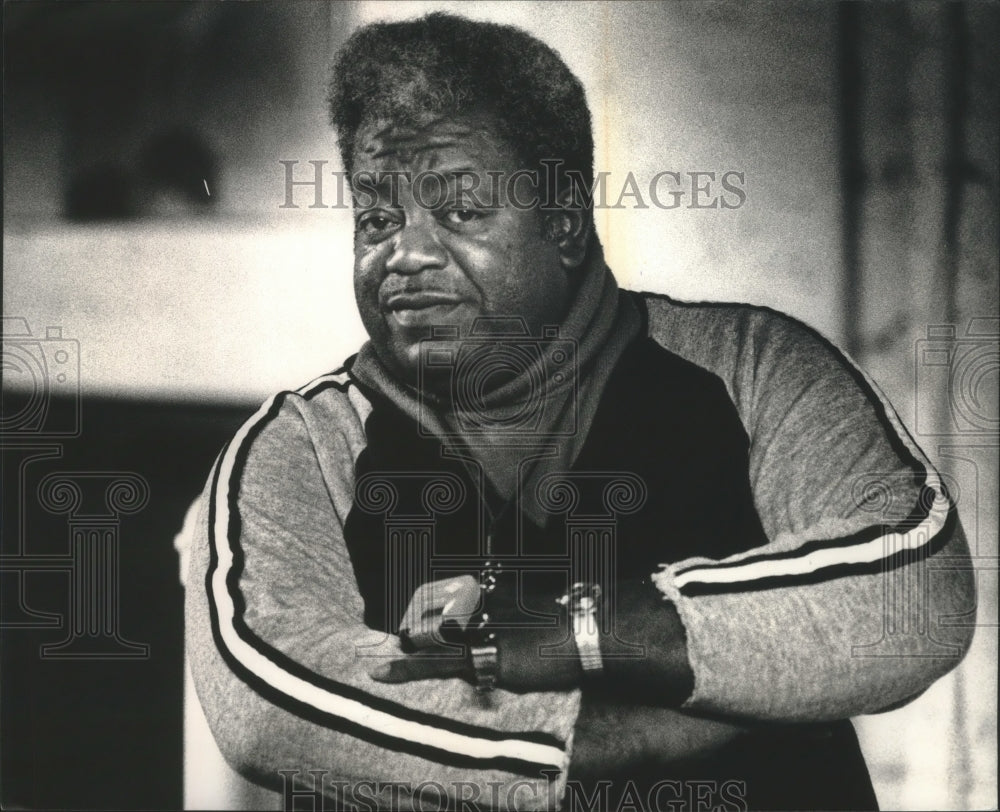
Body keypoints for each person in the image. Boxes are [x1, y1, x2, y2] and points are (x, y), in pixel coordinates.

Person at [186, 13, 975, 811]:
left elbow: (912, 595)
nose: (405, 256)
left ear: (562, 225)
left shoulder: (755, 367)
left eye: (459, 211)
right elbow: (271, 702)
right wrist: (623, 734)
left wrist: (574, 629)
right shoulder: (299, 447)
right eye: (378, 220)